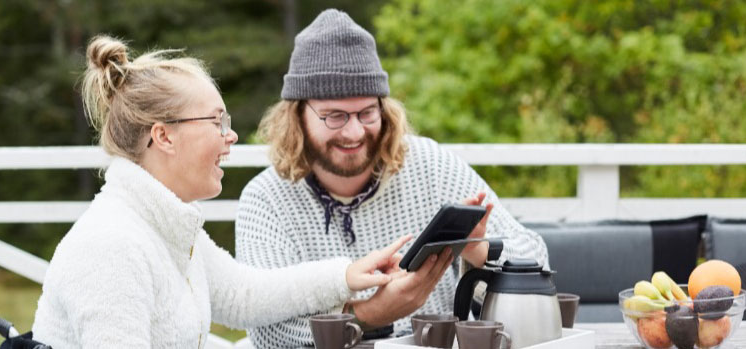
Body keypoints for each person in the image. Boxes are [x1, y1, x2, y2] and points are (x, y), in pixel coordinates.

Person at [30, 35, 418, 348]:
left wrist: (348, 274)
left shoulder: (166, 227)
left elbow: (245, 295)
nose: (230, 135)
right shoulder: (112, 247)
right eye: (217, 121)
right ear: (163, 136)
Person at [235, 9, 551, 348]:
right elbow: (266, 333)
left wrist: (478, 250)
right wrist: (372, 314)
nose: (354, 132)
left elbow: (537, 261)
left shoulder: (431, 165)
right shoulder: (265, 198)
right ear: (297, 115)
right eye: (335, 116)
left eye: (367, 112)